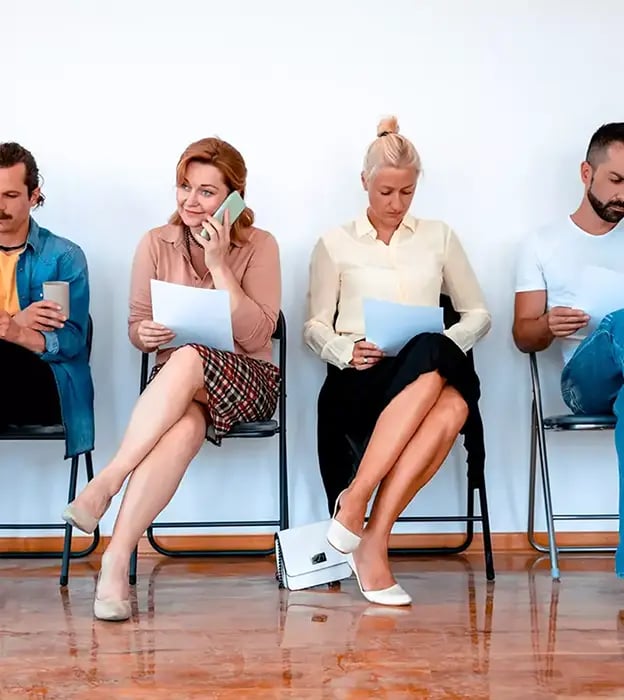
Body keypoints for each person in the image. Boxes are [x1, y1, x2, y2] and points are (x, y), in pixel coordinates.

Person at [63, 137, 281, 621]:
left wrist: (220, 265)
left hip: (250, 379)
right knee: (183, 426)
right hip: (177, 390)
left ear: (233, 198)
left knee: (186, 357)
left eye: (206, 191)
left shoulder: (260, 245)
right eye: (185, 187)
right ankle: (116, 564)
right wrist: (145, 333)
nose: (190, 200)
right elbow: (136, 327)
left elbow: (257, 333)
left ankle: (108, 481)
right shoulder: (153, 243)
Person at [304, 116, 491, 606]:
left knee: (447, 388)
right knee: (442, 382)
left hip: (423, 375)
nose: (396, 203)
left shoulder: (440, 236)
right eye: (386, 191)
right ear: (364, 182)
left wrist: (448, 343)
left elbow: (478, 314)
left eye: (407, 192)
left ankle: (366, 523)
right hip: (360, 381)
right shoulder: (334, 243)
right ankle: (360, 505)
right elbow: (314, 325)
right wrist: (346, 350)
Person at [513, 122, 624, 578]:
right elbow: (522, 335)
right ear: (586, 173)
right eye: (616, 181)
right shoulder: (542, 243)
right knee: (620, 321)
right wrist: (548, 324)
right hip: (583, 382)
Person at [0, 142, 93, 458]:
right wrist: (19, 321)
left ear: (34, 195)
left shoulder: (63, 257)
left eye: (10, 196)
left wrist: (15, 333)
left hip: (44, 384)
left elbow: (71, 341)